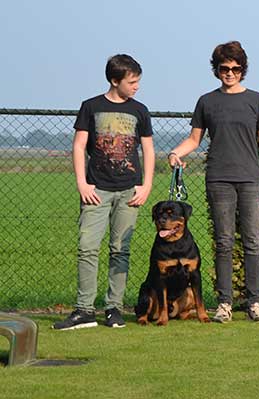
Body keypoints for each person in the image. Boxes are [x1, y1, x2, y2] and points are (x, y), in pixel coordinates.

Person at [168, 41, 259, 323]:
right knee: (224, 242)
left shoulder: (256, 100)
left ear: (243, 70)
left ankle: (255, 303)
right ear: (216, 70)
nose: (230, 73)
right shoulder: (207, 101)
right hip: (219, 179)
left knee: (252, 242)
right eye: (224, 68)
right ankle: (225, 303)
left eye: (235, 68)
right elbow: (194, 139)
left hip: (251, 179)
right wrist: (175, 152)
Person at [54, 54, 154, 330]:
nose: (136, 86)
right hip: (96, 190)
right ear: (115, 80)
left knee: (120, 251)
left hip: (129, 191)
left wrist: (146, 186)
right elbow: (78, 146)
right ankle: (85, 311)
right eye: (132, 82)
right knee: (87, 248)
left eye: (138, 81)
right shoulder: (91, 107)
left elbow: (147, 149)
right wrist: (82, 184)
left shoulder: (140, 110)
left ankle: (114, 309)